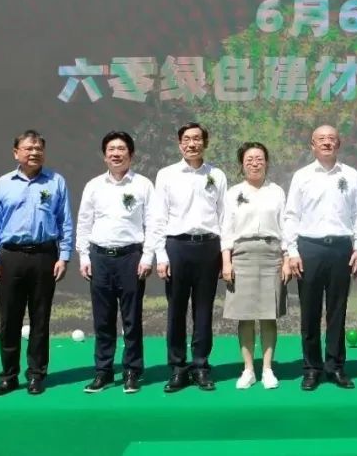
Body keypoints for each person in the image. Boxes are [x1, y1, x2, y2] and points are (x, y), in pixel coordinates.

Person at [0, 129, 74, 396]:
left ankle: (36, 375)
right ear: (16, 153)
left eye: (38, 149)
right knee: (9, 320)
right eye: (28, 148)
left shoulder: (56, 182)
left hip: (45, 256)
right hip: (10, 256)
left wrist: (64, 256)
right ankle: (9, 376)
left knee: (40, 319)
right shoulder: (3, 184)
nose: (34, 153)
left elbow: (65, 222)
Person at [284, 124, 357, 390]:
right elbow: (291, 215)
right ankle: (311, 368)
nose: (327, 142)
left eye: (332, 139)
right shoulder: (302, 176)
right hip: (309, 249)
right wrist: (292, 251)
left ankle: (335, 367)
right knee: (309, 312)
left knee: (337, 311)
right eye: (321, 139)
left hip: (341, 249)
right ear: (312, 145)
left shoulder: (351, 175)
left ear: (338, 144)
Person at [149, 122, 227, 393]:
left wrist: (224, 255)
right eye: (186, 139)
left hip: (209, 247)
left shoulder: (217, 175)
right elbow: (158, 217)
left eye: (197, 139)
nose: (192, 144)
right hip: (177, 247)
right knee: (176, 310)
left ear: (205, 142)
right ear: (179, 144)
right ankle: (177, 368)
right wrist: (161, 255)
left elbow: (224, 216)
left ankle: (201, 366)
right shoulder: (167, 175)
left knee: (204, 310)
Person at [76, 131, 154, 395]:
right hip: (99, 258)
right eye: (111, 149)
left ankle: (132, 371)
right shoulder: (94, 186)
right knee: (103, 319)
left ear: (131, 154)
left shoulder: (143, 185)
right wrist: (84, 255)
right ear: (104, 155)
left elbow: (153, 223)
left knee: (132, 319)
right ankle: (103, 371)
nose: (116, 154)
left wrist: (147, 256)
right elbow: (84, 222)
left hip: (131, 258)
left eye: (121, 149)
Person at [220, 142, 290, 390]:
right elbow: (226, 229)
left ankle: (268, 369)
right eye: (249, 159)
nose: (254, 163)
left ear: (267, 162)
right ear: (242, 164)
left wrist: (287, 259)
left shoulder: (277, 192)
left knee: (269, 316)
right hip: (242, 256)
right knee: (245, 317)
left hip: (272, 255)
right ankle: (248, 369)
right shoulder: (233, 193)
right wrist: (226, 261)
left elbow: (286, 226)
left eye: (259, 158)